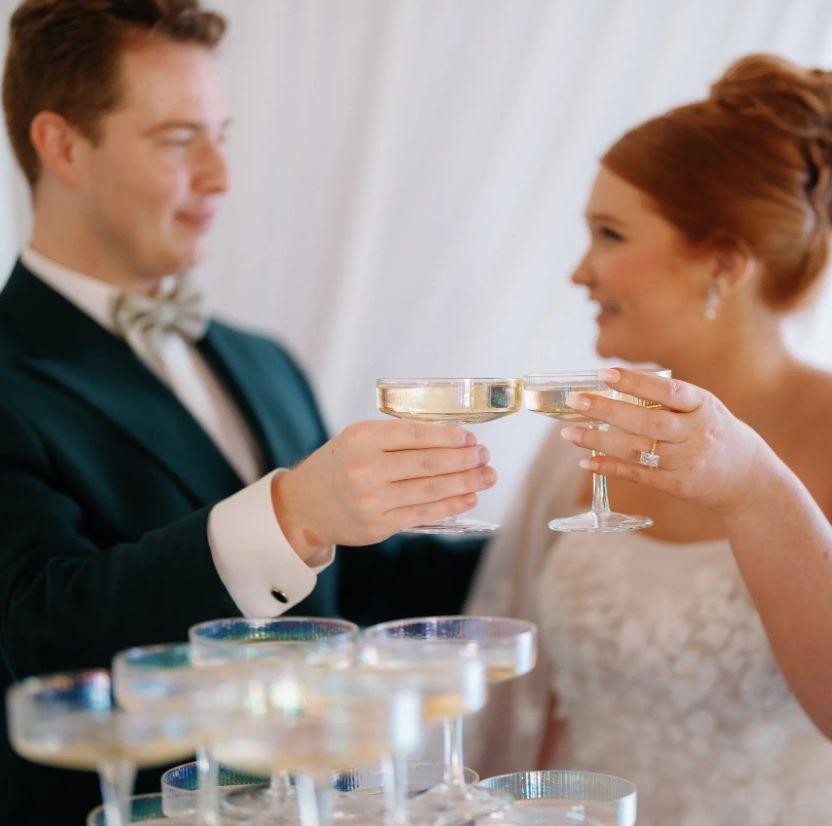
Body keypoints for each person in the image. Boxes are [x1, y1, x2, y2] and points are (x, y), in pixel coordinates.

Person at [0, 1, 496, 821]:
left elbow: (351, 588)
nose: (220, 176)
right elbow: (41, 634)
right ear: (62, 146)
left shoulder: (262, 361)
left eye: (221, 136)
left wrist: (559, 544)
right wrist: (294, 513)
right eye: (177, 140)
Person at [468, 54, 832, 824]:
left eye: (610, 234)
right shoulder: (582, 436)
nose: (580, 272)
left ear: (723, 262)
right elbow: (535, 707)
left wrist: (755, 489)